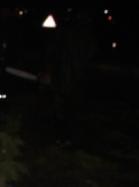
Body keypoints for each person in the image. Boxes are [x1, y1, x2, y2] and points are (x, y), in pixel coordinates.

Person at [44, 8, 98, 147]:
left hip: (64, 77)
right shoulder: (88, 36)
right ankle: (66, 138)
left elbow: (52, 51)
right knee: (70, 109)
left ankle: (61, 137)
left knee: (61, 109)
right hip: (74, 78)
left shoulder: (67, 32)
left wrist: (49, 67)